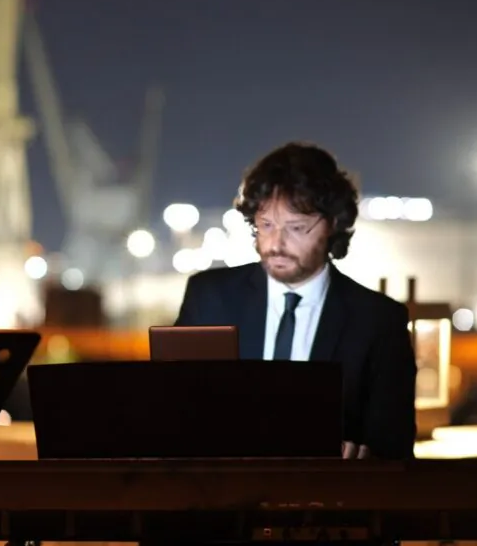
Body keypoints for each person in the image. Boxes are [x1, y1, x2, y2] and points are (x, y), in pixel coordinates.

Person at [174, 141, 417, 460]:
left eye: (297, 228)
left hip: (331, 501)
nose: (276, 243)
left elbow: (395, 445)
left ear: (333, 224)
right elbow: (171, 412)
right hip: (225, 500)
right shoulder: (209, 297)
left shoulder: (378, 320)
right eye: (266, 225)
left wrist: (364, 458)